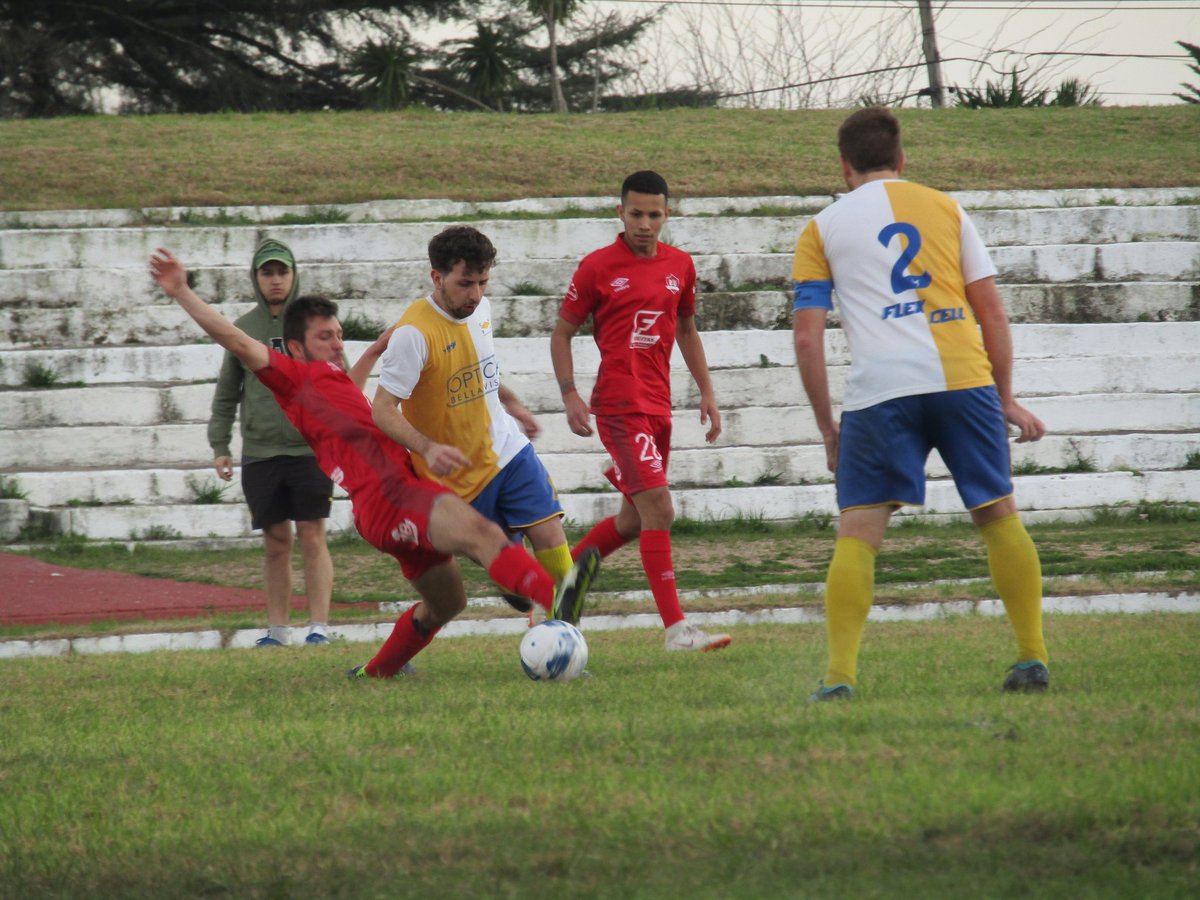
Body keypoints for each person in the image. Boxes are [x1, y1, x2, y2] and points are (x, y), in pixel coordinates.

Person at [150, 249, 600, 679]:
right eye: (324, 337)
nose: (337, 342)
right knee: (485, 535)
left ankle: (376, 671)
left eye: (339, 333)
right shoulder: (293, 377)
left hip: (382, 512)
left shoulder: (326, 382)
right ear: (295, 348)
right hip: (396, 498)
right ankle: (558, 594)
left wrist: (375, 348)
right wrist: (181, 291)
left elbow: (351, 389)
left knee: (447, 604)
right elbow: (235, 340)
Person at [790, 106, 1050, 701]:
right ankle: (1032, 658)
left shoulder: (821, 227)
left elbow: (807, 335)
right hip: (962, 380)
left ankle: (839, 680)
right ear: (902, 160)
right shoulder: (946, 207)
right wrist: (1003, 398)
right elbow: (992, 312)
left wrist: (829, 427)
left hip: (881, 392)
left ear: (844, 165)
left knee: (858, 532)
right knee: (997, 514)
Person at [550, 170, 732, 653]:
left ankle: (560, 580)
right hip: (619, 405)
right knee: (660, 509)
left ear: (667, 214)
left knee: (633, 521)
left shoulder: (681, 266)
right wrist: (569, 393)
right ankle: (677, 630)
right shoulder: (597, 267)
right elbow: (562, 332)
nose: (645, 224)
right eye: (636, 214)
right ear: (620, 212)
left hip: (659, 406)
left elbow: (687, 331)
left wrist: (707, 393)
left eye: (654, 214)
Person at [372, 226, 574, 618]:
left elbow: (481, 369)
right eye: (466, 283)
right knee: (515, 580)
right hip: (456, 478)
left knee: (551, 537)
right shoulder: (413, 334)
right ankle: (519, 587)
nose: (476, 294)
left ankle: (569, 637)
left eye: (483, 282)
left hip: (505, 449)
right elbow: (381, 408)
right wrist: (427, 447)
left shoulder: (480, 309)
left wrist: (513, 404)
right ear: (437, 277)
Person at [208, 238, 334, 647]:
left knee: (313, 535)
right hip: (261, 453)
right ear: (256, 278)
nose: (276, 280)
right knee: (276, 542)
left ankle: (319, 627)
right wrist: (220, 444)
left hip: (309, 450)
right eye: (268, 272)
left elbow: (339, 380)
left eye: (282, 271)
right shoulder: (243, 330)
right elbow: (228, 391)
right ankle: (277, 630)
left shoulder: (313, 325)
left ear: (294, 275)